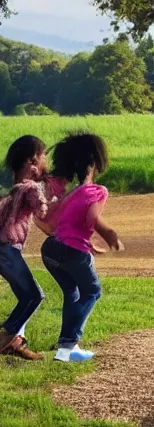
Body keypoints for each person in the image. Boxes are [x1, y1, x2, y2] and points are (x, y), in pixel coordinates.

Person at [40, 132, 124, 363]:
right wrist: (110, 235)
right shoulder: (97, 191)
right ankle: (68, 347)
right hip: (71, 251)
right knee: (92, 292)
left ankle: (67, 347)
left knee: (72, 291)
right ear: (95, 163)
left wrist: (87, 244)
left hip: (50, 249)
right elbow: (91, 218)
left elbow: (51, 224)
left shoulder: (70, 194)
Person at [0, 135, 66, 360]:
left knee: (24, 296)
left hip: (6, 250)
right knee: (34, 296)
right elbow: (43, 209)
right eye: (44, 155)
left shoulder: (15, 188)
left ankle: (14, 342)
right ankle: (5, 336)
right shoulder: (29, 188)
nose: (46, 160)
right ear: (33, 161)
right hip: (6, 250)